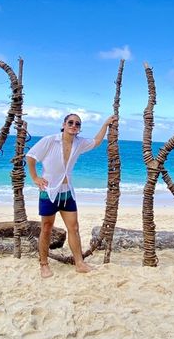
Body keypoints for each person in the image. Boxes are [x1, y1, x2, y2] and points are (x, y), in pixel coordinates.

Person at [26, 113, 116, 278]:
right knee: (46, 228)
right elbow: (30, 157)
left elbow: (96, 142)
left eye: (77, 124)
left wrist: (105, 124)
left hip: (67, 192)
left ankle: (79, 263)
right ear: (64, 124)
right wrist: (35, 178)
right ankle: (44, 264)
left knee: (74, 228)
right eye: (71, 122)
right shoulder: (50, 140)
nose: (74, 125)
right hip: (49, 191)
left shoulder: (79, 143)